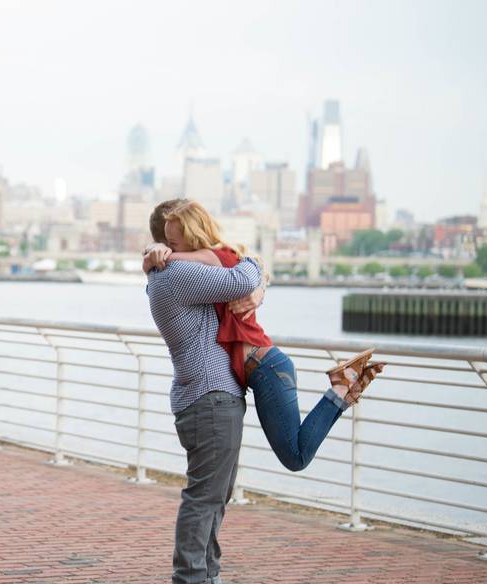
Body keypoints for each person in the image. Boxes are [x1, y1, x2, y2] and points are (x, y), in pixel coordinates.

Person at [144, 200, 384, 473]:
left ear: (189, 235)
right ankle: (341, 390)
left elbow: (234, 266)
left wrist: (156, 256)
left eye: (175, 243)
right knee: (294, 457)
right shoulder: (210, 268)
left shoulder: (213, 260)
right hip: (262, 367)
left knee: (295, 457)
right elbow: (248, 269)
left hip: (265, 367)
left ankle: (340, 389)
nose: (172, 250)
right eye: (169, 243)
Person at [143, 205, 265, 584]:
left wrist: (256, 287)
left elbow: (245, 290)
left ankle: (208, 580)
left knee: (217, 495)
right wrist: (249, 258)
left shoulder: (178, 271)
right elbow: (243, 279)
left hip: (212, 396)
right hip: (209, 397)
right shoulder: (176, 273)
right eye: (173, 239)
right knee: (203, 498)